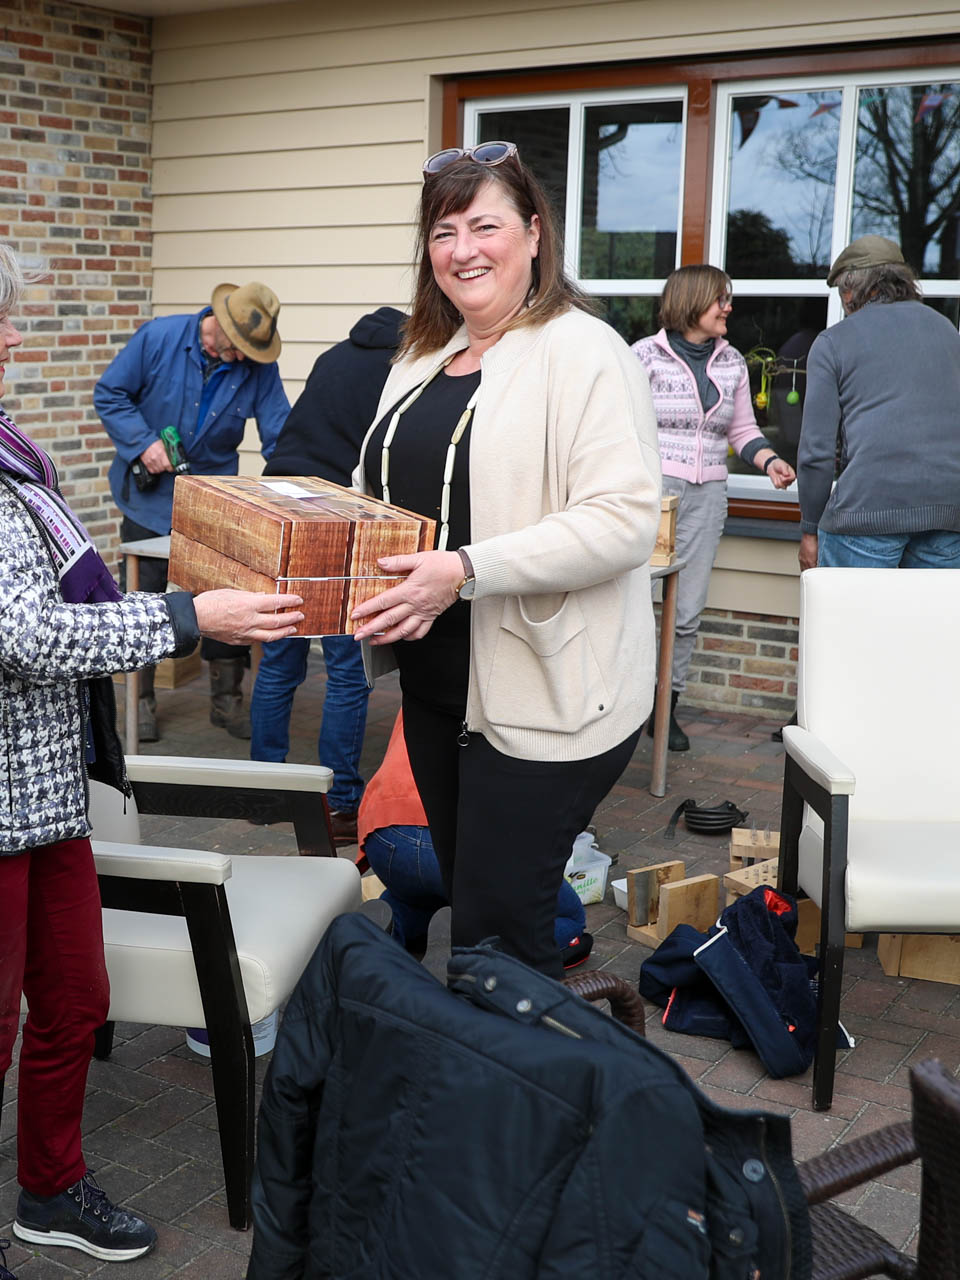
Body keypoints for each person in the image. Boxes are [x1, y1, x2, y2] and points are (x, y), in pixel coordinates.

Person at [0, 216, 304, 1280]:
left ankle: (52, 1188)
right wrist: (188, 618)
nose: (16, 335)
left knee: (76, 1001)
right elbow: (28, 632)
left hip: (45, 784)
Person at [347, 140, 661, 976]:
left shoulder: (585, 350)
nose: (463, 250)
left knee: (500, 937)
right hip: (437, 687)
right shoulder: (421, 356)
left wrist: (463, 570)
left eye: (484, 226)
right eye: (443, 232)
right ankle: (501, 1042)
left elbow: (623, 522)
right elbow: (381, 494)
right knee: (474, 907)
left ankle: (529, 1054)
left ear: (533, 233)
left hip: (544, 695)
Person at [95, 281, 292, 741]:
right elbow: (110, 394)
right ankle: (140, 701)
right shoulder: (158, 338)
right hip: (149, 500)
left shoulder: (258, 365)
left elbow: (280, 434)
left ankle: (227, 701)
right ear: (217, 323)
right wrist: (143, 443)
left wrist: (291, 488)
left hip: (212, 503)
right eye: (237, 346)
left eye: (250, 351)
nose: (242, 358)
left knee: (227, 595)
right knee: (142, 596)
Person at [249, 306, 406, 841]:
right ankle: (340, 805)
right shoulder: (402, 368)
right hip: (335, 514)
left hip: (279, 503)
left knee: (278, 659)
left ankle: (264, 792)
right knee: (346, 670)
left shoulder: (333, 355)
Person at [631, 265, 795, 753]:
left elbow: (741, 431)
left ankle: (666, 709)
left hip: (706, 498)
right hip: (652, 494)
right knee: (631, 603)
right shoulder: (643, 357)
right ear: (691, 302)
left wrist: (770, 461)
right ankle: (624, 703)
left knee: (685, 612)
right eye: (720, 299)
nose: (728, 307)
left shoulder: (733, 362)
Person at [798, 234, 960, 571]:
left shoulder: (833, 342)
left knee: (853, 610)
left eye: (841, 292)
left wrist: (810, 528)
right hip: (950, 507)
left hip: (868, 509)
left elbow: (815, 452)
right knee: (934, 610)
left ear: (851, 291)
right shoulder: (948, 332)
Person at [358, 711, 589, 966]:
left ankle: (383, 931)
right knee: (569, 917)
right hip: (451, 834)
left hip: (383, 835)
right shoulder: (524, 701)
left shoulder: (430, 684)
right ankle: (468, 951)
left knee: (417, 899)